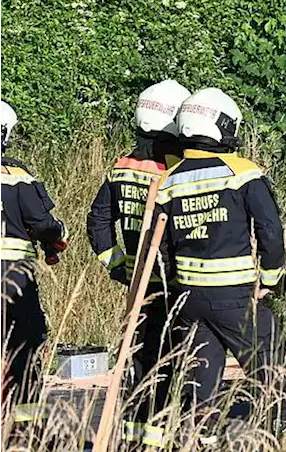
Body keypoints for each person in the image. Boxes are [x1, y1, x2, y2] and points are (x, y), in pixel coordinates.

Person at [153, 88, 286, 441]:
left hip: (188, 297)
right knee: (275, 366)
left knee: (201, 376)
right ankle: (282, 435)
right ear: (218, 126)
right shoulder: (242, 172)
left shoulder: (169, 179)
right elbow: (270, 228)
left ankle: (203, 439)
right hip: (235, 294)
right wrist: (271, 278)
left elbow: (159, 244)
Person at [85, 79, 190, 448]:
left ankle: (136, 436)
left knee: (143, 358)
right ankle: (165, 436)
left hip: (138, 280)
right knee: (172, 359)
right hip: (174, 280)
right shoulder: (175, 169)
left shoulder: (122, 165)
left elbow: (98, 222)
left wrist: (117, 265)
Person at [0, 101, 66, 429]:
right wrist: (58, 233)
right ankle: (27, 431)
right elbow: (44, 225)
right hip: (13, 278)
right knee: (24, 349)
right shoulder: (16, 176)